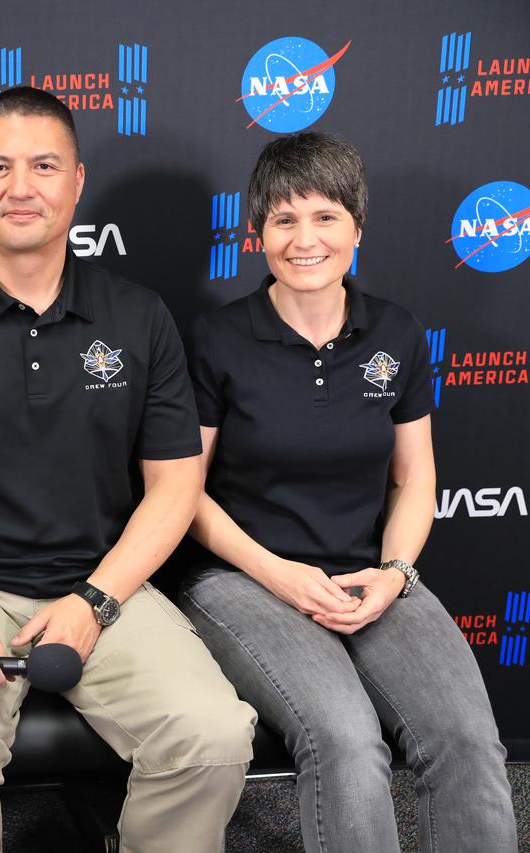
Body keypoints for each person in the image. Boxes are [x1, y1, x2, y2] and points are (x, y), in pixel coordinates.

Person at [0, 85, 256, 853]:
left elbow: (177, 486)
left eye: (44, 165)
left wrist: (95, 599)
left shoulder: (139, 317)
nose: (20, 187)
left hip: (106, 584)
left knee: (212, 734)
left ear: (76, 182)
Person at [178, 131, 517, 852]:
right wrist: (279, 574)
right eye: (284, 219)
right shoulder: (217, 338)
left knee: (465, 737)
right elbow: (186, 491)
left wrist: (395, 574)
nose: (306, 239)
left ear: (356, 228)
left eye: (326, 216)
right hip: (244, 579)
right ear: (256, 234)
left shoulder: (395, 332)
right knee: (346, 739)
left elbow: (415, 474)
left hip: (369, 573)